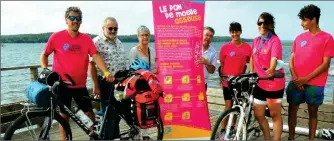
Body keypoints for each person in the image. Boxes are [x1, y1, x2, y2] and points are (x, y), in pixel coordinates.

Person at [40, 7, 113, 140]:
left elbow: (95, 56)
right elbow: (44, 55)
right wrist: (46, 70)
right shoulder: (56, 36)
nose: (75, 21)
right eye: (72, 18)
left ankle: (93, 137)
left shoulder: (86, 39)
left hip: (79, 85)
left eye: (78, 18)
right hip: (61, 85)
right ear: (66, 20)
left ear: (81, 21)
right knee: (64, 117)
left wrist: (106, 71)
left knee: (89, 114)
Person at [286, 4, 334, 140]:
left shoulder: (327, 38)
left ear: (313, 19)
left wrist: (305, 79)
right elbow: (291, 61)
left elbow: (325, 64)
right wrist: (296, 78)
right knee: (292, 109)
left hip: (315, 84)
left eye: (304, 20)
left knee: (313, 112)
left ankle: (311, 139)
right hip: (296, 82)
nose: (302, 23)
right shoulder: (299, 38)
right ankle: (290, 138)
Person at [88, 17, 129, 139]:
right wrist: (96, 86)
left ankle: (114, 137)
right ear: (103, 28)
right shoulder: (97, 41)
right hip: (105, 84)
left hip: (120, 84)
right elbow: (91, 65)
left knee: (116, 113)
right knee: (106, 114)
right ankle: (104, 137)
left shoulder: (119, 42)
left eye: (115, 28)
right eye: (110, 28)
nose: (113, 31)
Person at [249, 12, 285, 140]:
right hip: (259, 83)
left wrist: (272, 68)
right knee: (259, 114)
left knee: (275, 115)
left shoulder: (275, 40)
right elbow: (252, 58)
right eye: (260, 23)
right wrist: (252, 73)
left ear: (270, 25)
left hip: (274, 84)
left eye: (265, 23)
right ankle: (267, 138)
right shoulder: (255, 40)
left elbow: (274, 58)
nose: (262, 25)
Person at [218, 22, 252, 138]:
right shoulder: (225, 48)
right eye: (232, 32)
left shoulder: (247, 47)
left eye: (236, 31)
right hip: (227, 82)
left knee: (238, 106)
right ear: (230, 33)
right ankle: (223, 129)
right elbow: (222, 65)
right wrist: (221, 78)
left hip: (240, 83)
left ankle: (232, 127)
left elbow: (250, 63)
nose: (235, 34)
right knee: (228, 106)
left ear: (240, 32)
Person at [196, 26, 217, 91]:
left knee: (201, 101)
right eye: (206, 35)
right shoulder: (193, 46)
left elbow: (212, 71)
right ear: (202, 35)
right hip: (189, 81)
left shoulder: (213, 51)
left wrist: (207, 63)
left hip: (203, 83)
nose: (208, 37)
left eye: (210, 36)